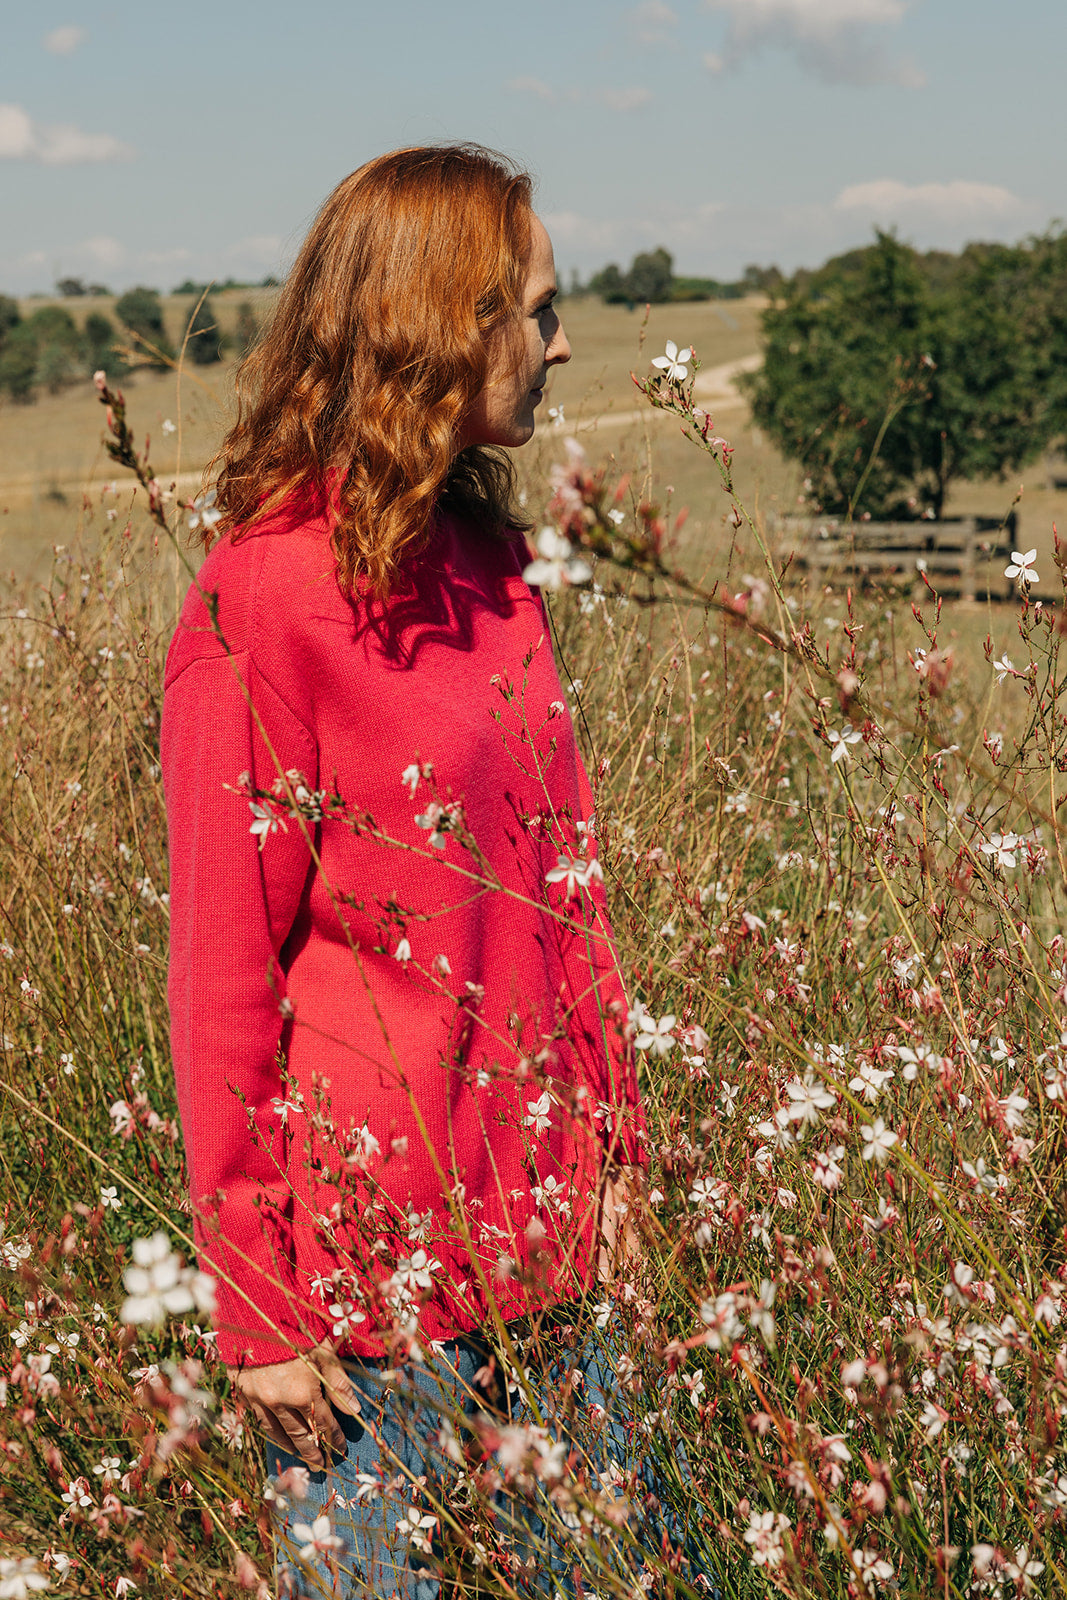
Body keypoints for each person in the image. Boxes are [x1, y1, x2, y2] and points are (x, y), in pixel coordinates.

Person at [162, 145, 652, 1596]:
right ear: (449, 325)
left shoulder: (497, 569)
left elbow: (567, 891)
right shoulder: (259, 597)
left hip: (555, 1238)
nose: (563, 342)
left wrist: (618, 1153)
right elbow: (221, 976)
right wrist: (256, 1301)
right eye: (539, 310)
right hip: (368, 1283)